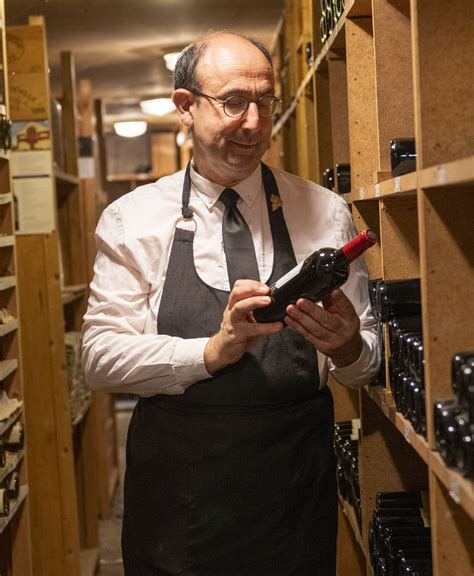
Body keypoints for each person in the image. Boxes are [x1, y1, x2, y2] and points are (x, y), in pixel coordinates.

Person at [82, 31, 380, 576]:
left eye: (265, 102)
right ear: (186, 107)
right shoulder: (132, 220)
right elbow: (99, 360)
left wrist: (348, 348)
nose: (254, 123)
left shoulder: (327, 212)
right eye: (234, 102)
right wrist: (211, 351)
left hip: (294, 489)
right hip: (179, 501)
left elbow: (365, 369)